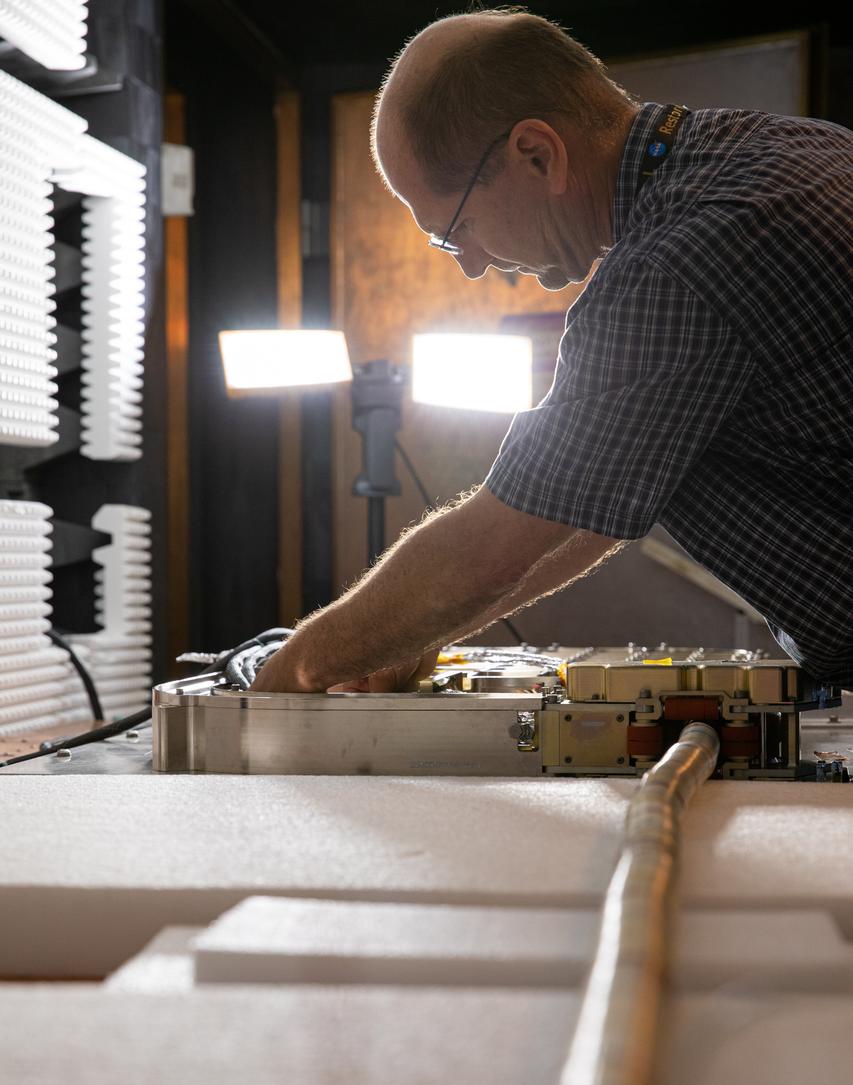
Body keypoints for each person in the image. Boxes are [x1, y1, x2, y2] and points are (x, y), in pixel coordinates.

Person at [252, 8, 853, 696]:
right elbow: (583, 498)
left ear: (536, 153)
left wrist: (291, 671)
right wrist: (413, 630)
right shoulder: (799, 146)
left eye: (456, 229)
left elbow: (491, 546)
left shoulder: (674, 267)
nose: (470, 264)